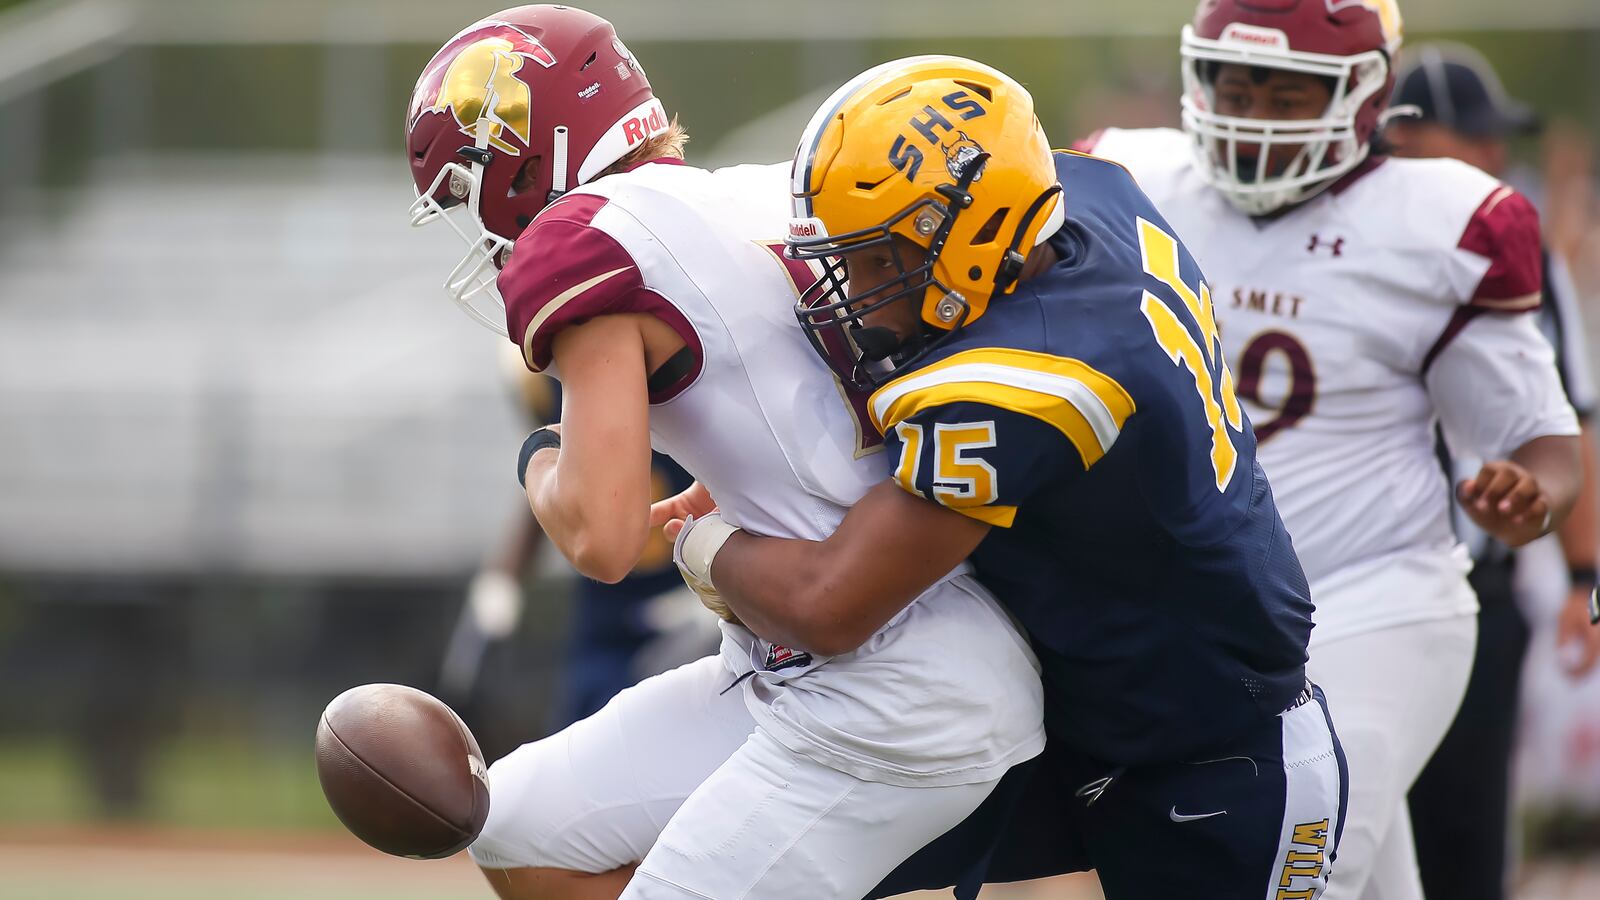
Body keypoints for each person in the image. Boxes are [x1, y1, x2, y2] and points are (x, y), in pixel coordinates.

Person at [664, 53, 1347, 899]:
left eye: (882, 260)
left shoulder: (1035, 381)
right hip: (1108, 724)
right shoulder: (1085, 199)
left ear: (979, 233)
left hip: (1221, 759)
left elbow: (828, 607)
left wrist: (701, 541)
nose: (859, 291)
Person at [405, 7, 1044, 900]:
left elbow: (604, 540)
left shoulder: (586, 239)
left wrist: (539, 461)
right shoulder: (754, 193)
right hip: (801, 662)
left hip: (894, 689)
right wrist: (726, 485)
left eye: (466, 189)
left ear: (522, 152)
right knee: (515, 828)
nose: (479, 227)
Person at [1074, 2, 1584, 898]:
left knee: (1290, 861)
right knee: (1351, 872)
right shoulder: (1131, 177)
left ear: (1365, 95)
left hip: (1373, 595)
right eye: (1237, 84)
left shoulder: (1441, 221)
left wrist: (1531, 492)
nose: (1254, 112)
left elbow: (1547, 440)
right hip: (1205, 616)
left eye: (1287, 90)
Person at [1385, 42, 1600, 900]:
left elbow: (1571, 420)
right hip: (1327, 587)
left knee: (1462, 842)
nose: (1494, 155)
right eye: (1475, 136)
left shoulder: (1517, 247)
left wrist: (1586, 576)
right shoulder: (1327, 239)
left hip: (1477, 584)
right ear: (1409, 135)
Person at [437, 356, 715, 755]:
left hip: (691, 583)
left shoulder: (673, 351)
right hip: (609, 600)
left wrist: (717, 587)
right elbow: (559, 485)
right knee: (575, 744)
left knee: (673, 752)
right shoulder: (544, 370)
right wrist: (497, 591)